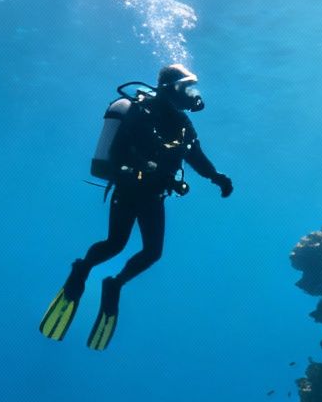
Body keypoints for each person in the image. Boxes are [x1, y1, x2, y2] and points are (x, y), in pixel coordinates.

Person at [40, 63, 232, 349]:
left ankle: (114, 284)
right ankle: (81, 270)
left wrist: (216, 177)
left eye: (191, 87)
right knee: (115, 244)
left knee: (153, 252)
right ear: (170, 88)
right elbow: (117, 152)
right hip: (129, 190)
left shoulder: (183, 124)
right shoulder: (141, 112)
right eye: (185, 87)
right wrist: (140, 169)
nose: (191, 94)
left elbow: (196, 157)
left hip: (154, 195)